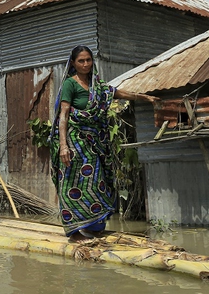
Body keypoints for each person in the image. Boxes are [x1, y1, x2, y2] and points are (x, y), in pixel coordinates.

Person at [50, 45, 159, 240]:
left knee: (97, 180)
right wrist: (63, 146)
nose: (85, 64)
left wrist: (144, 97)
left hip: (95, 141)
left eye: (88, 60)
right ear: (73, 64)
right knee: (73, 182)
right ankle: (75, 231)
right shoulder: (70, 84)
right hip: (75, 140)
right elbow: (64, 114)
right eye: (81, 61)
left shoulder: (97, 86)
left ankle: (94, 225)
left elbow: (118, 93)